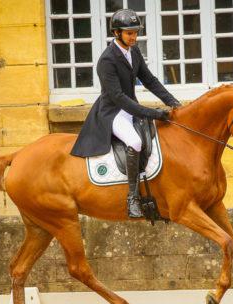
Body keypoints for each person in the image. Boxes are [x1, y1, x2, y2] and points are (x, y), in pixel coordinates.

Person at [71, 8, 181, 218]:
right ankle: (132, 198)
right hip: (113, 112)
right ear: (116, 33)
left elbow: (150, 80)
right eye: (129, 33)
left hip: (131, 108)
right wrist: (152, 113)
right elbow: (119, 97)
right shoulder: (107, 60)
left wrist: (172, 102)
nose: (134, 37)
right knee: (135, 142)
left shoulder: (134, 52)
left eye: (136, 32)